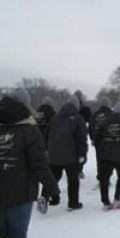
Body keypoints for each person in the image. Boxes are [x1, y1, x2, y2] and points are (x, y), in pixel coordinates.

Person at [0, 89, 60, 237]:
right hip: (20, 196)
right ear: (26, 106)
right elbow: (40, 165)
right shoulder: (30, 132)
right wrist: (53, 189)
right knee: (17, 233)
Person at [46, 96, 88, 211]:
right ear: (77, 106)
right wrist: (82, 155)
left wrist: (47, 150)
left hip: (53, 154)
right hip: (71, 156)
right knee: (73, 180)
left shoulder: (54, 118)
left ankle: (45, 198)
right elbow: (81, 139)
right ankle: (73, 204)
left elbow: (46, 134)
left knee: (53, 178)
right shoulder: (78, 119)